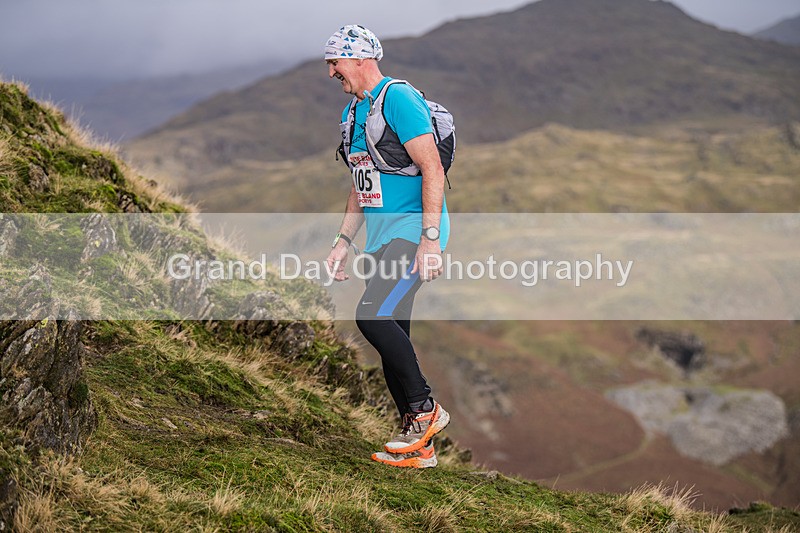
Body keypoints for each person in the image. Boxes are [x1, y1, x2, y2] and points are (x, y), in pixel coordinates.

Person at [324, 24, 451, 469]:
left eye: (334, 62)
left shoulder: (398, 98)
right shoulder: (353, 114)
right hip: (379, 240)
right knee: (394, 340)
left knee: (371, 316)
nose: (331, 72)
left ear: (359, 59)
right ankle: (419, 450)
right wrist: (343, 241)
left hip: (413, 233)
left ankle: (425, 410)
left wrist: (430, 241)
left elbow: (432, 168)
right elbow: (362, 185)